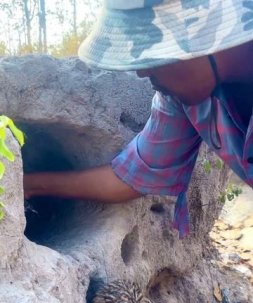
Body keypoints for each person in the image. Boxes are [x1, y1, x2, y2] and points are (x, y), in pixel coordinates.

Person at [24, 0, 253, 237]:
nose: (142, 72)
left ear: (206, 32)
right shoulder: (183, 96)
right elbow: (135, 175)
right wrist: (29, 184)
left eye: (154, 53)